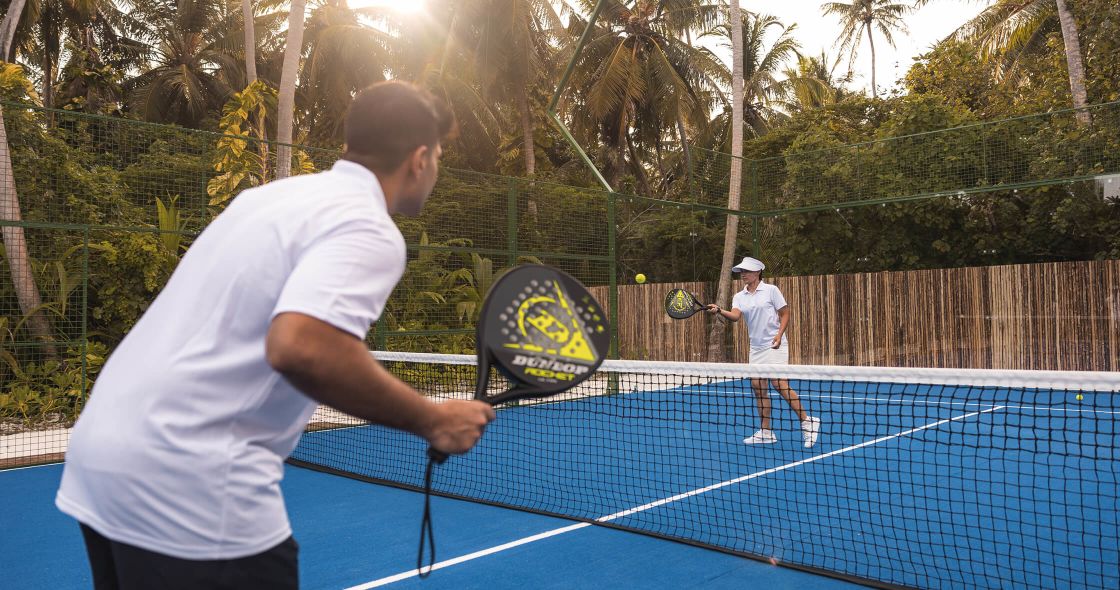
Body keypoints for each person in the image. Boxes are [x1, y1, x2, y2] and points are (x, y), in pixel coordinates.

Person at [55, 81, 497, 590]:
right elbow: (301, 346)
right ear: (419, 160)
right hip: (190, 482)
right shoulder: (368, 227)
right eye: (438, 156)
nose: (436, 168)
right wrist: (432, 419)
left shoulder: (265, 199)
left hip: (103, 457)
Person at [706, 256, 820, 448]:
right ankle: (766, 432)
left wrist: (779, 334)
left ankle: (807, 422)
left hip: (775, 344)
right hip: (756, 348)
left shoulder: (771, 290)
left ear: (758, 272)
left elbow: (785, 313)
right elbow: (735, 316)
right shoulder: (739, 296)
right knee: (758, 387)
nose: (743, 274)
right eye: (741, 271)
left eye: (747, 271)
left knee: (779, 383)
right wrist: (719, 310)